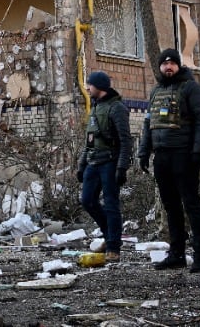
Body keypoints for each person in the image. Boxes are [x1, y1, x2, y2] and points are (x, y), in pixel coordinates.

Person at [137, 48, 200, 272]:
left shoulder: (191, 88)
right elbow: (148, 124)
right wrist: (143, 151)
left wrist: (198, 151)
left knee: (191, 204)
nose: (168, 67)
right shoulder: (156, 91)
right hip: (162, 155)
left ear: (178, 65)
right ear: (160, 67)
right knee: (171, 206)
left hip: (183, 154)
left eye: (172, 63)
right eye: (164, 63)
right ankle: (176, 253)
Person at [77, 71, 132, 261]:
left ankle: (113, 247)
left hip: (110, 163)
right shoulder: (95, 107)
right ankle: (109, 235)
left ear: (99, 86)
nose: (87, 88)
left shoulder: (116, 108)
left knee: (111, 205)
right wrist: (81, 165)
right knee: (87, 200)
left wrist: (121, 167)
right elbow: (89, 141)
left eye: (90, 84)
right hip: (93, 162)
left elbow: (126, 140)